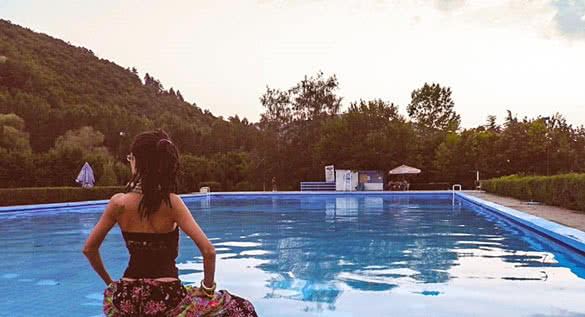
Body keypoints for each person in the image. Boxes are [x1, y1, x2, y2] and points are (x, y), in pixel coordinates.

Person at [82, 129, 257, 316]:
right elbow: (209, 251)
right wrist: (207, 289)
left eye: (131, 158)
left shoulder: (118, 203)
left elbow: (89, 249)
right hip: (167, 300)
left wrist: (111, 285)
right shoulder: (171, 203)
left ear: (139, 162)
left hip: (127, 300)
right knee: (242, 307)